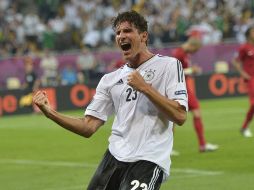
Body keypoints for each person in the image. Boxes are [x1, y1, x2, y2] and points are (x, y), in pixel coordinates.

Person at [33, 10, 188, 190]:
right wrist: (50, 113)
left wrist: (145, 88)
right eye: (118, 33)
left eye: (127, 31)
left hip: (148, 161)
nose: (121, 36)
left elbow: (180, 115)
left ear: (144, 36)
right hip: (113, 159)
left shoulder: (169, 65)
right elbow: (88, 127)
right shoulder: (110, 80)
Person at [171, 37, 219, 152]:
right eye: (195, 50)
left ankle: (202, 144)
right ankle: (201, 145)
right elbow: (175, 71)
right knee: (173, 119)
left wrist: (191, 70)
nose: (195, 52)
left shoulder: (184, 53)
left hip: (184, 88)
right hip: (179, 89)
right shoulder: (179, 53)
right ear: (192, 46)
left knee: (192, 114)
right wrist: (192, 70)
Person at [232, 26, 254, 138]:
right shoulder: (244, 47)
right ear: (248, 34)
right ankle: (244, 127)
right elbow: (235, 62)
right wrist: (243, 73)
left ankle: (244, 127)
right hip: (251, 79)